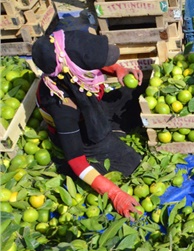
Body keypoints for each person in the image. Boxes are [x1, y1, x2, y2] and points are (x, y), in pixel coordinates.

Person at [32, 29, 144, 219]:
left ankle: (110, 133)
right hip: (80, 133)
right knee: (129, 162)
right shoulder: (62, 105)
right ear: (72, 71)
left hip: (92, 107)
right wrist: (115, 194)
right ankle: (84, 164)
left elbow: (93, 62)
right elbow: (77, 161)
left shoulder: (68, 58)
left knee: (133, 94)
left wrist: (118, 69)